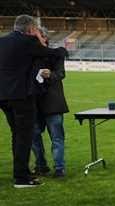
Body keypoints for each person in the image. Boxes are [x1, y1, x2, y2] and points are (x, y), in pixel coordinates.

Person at [0, 15, 66, 188]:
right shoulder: (28, 42)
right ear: (30, 29)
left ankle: (21, 172)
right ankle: (21, 178)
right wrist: (42, 41)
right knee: (24, 136)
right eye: (36, 29)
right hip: (21, 96)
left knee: (16, 134)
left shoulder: (3, 41)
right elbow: (55, 53)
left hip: (3, 97)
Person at [31, 26, 69, 178]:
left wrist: (50, 74)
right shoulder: (29, 55)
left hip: (53, 103)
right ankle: (41, 165)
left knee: (57, 138)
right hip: (34, 102)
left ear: (45, 38)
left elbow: (61, 74)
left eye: (36, 37)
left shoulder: (55, 54)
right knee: (34, 136)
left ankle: (59, 168)